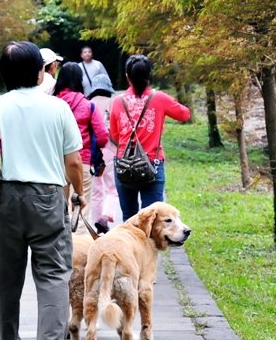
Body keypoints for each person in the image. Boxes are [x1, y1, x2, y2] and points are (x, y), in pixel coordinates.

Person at [0, 41, 85, 340]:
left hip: (5, 199)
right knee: (52, 275)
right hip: (48, 198)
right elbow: (74, 162)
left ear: (4, 75)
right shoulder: (57, 108)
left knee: (5, 276)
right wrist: (77, 193)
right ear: (39, 72)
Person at [109, 54, 191, 221]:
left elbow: (114, 135)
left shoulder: (118, 101)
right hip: (152, 165)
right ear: (149, 76)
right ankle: (149, 247)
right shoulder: (159, 98)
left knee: (129, 219)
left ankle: (131, 248)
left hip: (124, 167)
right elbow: (185, 114)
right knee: (152, 219)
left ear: (127, 76)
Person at [53, 62, 109, 230]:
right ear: (80, 80)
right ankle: (79, 250)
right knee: (81, 209)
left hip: (55, 163)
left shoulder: (51, 104)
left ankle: (61, 247)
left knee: (59, 211)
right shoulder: (88, 105)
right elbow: (102, 137)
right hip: (81, 161)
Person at [86, 72, 121, 231]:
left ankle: (96, 223)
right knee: (112, 188)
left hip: (92, 151)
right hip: (109, 148)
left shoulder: (88, 103)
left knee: (96, 190)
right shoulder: (112, 102)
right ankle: (105, 217)